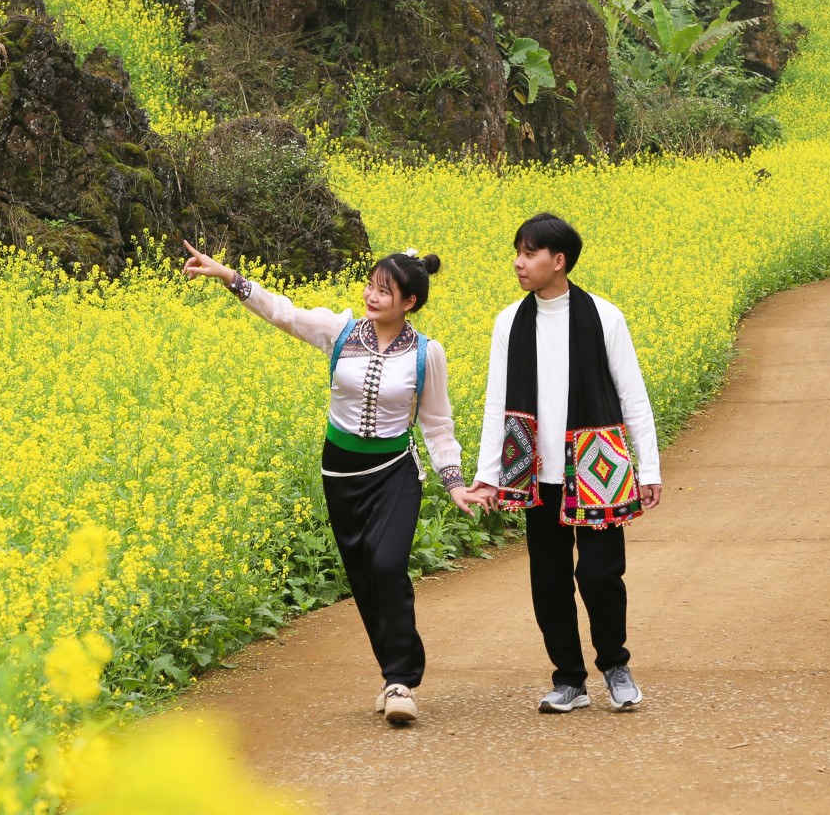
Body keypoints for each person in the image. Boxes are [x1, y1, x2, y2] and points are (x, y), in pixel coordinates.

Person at [183, 240, 484, 726]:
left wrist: (454, 482)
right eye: (370, 285)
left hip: (395, 472)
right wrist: (227, 277)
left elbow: (437, 423)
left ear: (409, 302)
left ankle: (402, 680)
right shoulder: (340, 331)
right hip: (340, 473)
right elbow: (282, 312)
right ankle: (391, 676)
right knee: (364, 578)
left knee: (388, 567)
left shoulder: (428, 353)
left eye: (385, 291)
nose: (372, 295)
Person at [469, 214, 661, 715]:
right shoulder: (509, 320)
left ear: (559, 261)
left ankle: (616, 666)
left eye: (529, 253)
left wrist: (650, 468)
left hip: (598, 469)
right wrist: (489, 474)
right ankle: (568, 680)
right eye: (517, 251)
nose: (518, 262)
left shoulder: (604, 315)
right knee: (548, 579)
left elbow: (632, 396)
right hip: (537, 472)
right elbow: (496, 402)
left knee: (600, 575)